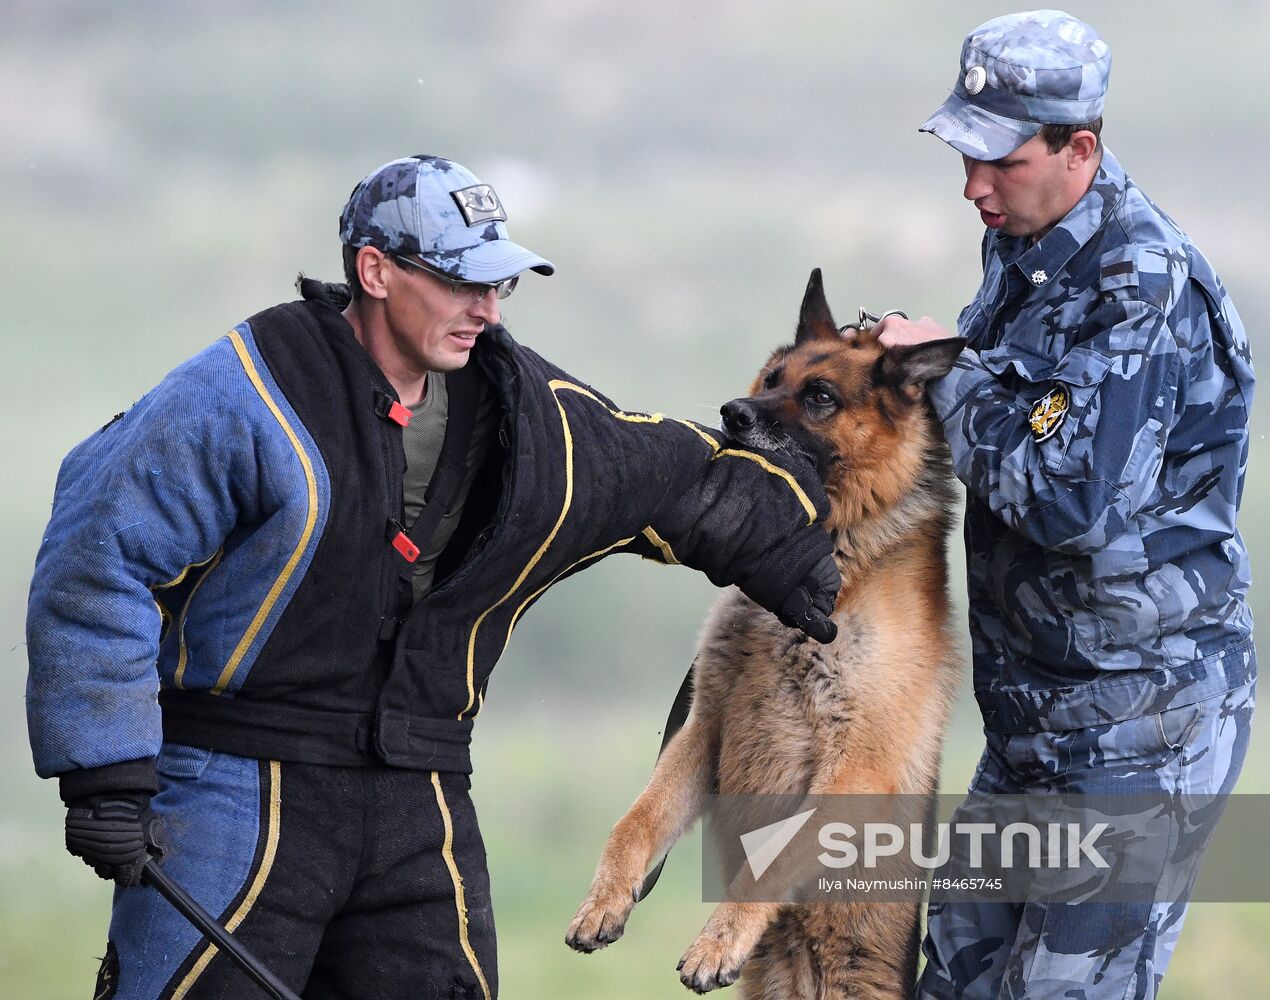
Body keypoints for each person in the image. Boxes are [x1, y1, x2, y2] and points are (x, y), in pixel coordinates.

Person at [26, 154, 841, 999]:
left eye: (500, 286)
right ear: (375, 271)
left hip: (422, 793)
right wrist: (105, 773)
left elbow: (667, 475)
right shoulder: (244, 389)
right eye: (461, 283)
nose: (487, 310)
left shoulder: (528, 410)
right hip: (236, 785)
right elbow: (98, 557)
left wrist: (793, 549)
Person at [868, 12, 1257, 999]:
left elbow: (1070, 501)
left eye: (1000, 161)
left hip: (1136, 733)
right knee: (951, 981)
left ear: (1077, 148)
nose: (973, 186)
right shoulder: (1028, 248)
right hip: (1033, 728)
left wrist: (943, 370)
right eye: (964, 156)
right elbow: (1017, 417)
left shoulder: (1141, 286)